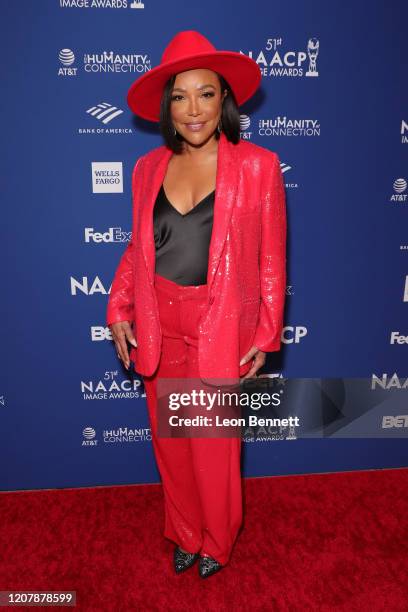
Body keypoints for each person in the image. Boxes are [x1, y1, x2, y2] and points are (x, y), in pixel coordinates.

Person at [106, 30, 287, 579]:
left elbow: (272, 259)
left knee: (212, 448)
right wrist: (119, 308)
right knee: (172, 446)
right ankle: (184, 533)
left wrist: (266, 332)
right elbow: (139, 250)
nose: (193, 109)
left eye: (205, 94)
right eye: (180, 96)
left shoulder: (257, 166)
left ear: (224, 100)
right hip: (160, 322)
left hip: (219, 323)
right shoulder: (146, 169)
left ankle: (218, 540)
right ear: (168, 106)